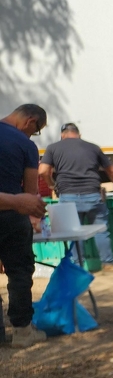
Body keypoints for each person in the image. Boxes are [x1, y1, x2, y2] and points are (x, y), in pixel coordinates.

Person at [0, 104, 48, 347]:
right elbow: (30, 193)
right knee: (19, 272)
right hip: (11, 215)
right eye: (36, 130)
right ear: (30, 120)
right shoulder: (25, 144)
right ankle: (22, 332)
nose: (33, 135)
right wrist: (34, 218)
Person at [39, 122, 113, 264]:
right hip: (92, 195)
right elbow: (112, 170)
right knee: (101, 230)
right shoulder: (93, 147)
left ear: (62, 135)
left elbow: (43, 171)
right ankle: (108, 264)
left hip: (67, 197)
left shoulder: (53, 148)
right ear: (79, 134)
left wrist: (52, 185)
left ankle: (77, 265)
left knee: (73, 234)